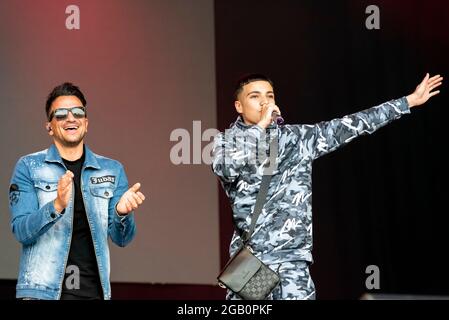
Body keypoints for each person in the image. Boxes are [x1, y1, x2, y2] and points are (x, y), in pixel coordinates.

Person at [212, 73, 442, 300]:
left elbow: (349, 126)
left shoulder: (297, 139)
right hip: (252, 263)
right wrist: (261, 126)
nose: (264, 101)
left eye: (269, 95)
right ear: (238, 106)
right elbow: (227, 168)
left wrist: (407, 102)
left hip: (293, 259)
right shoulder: (225, 141)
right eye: (255, 96)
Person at [8, 82, 146, 300]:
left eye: (78, 112)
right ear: (49, 126)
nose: (71, 118)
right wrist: (56, 206)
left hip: (95, 293)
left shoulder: (112, 170)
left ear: (86, 122)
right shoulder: (29, 166)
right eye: (61, 114)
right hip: (42, 294)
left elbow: (122, 239)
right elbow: (21, 231)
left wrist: (122, 213)